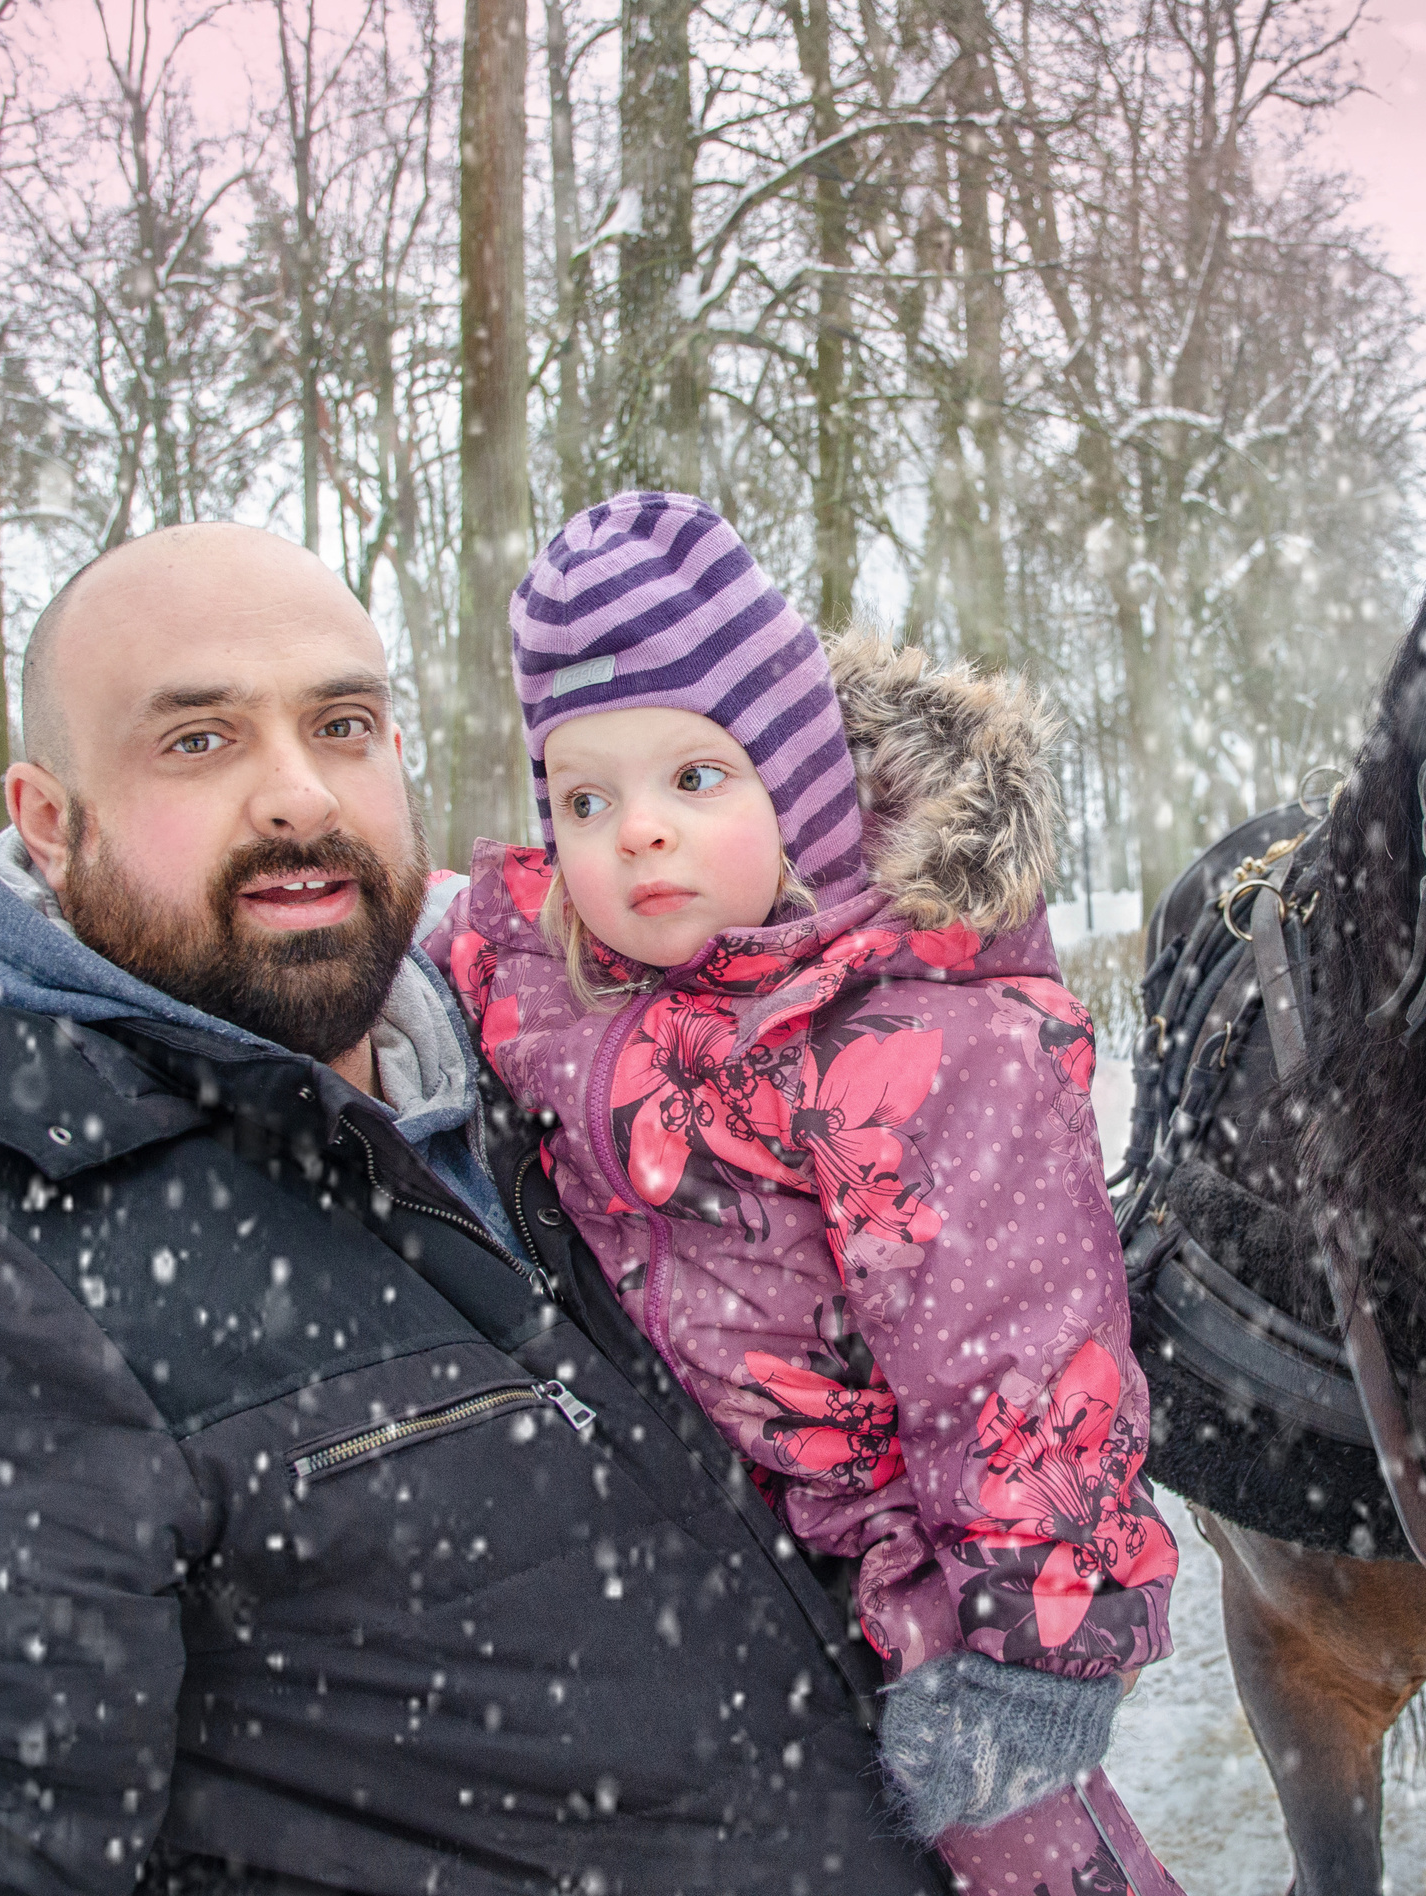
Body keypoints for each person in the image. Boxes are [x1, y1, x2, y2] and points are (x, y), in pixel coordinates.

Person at [0, 522, 957, 1895]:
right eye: (197, 741)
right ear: (46, 816)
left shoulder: (565, 1097)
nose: (299, 799)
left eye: (341, 724)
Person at [430, 493, 1182, 1894]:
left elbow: (1026, 1362)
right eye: (587, 799)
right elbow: (460, 940)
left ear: (799, 784)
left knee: (1010, 1853)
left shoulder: (925, 1044)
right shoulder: (560, 979)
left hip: (911, 1592)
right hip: (694, 1552)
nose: (636, 835)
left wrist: (1032, 1653)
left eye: (694, 781)